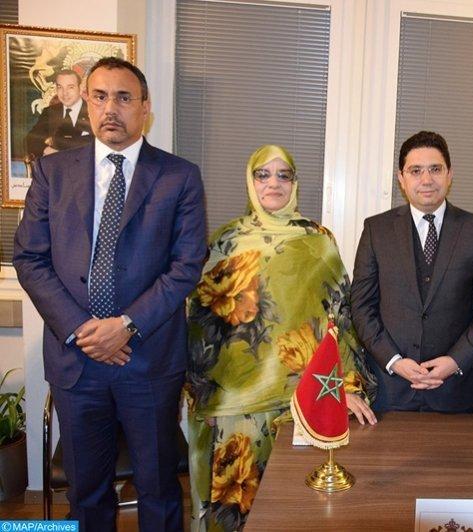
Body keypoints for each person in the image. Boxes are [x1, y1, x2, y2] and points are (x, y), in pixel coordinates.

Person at [13, 57, 206, 531]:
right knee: (87, 493)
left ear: (145, 107)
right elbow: (30, 258)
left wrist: (125, 326)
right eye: (99, 97)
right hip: (77, 360)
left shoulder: (179, 176)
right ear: (87, 102)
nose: (110, 108)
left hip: (149, 360)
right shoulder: (53, 172)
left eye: (124, 97)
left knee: (158, 489)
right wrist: (84, 330)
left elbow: (186, 266)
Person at [185, 144, 377, 531]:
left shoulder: (318, 240)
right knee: (237, 510)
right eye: (263, 174)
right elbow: (200, 319)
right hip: (236, 405)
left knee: (296, 510)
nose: (273, 183)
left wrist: (345, 386)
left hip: (302, 403)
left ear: (294, 183)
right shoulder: (227, 240)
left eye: (283, 175)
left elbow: (340, 319)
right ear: (250, 181)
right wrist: (203, 396)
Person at [350, 131, 473, 413]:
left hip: (456, 390)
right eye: (415, 170)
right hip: (390, 389)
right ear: (401, 178)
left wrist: (455, 361)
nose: (426, 179)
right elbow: (361, 307)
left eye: (435, 169)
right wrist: (394, 361)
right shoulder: (376, 230)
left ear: (449, 174)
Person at [24, 69, 92, 158]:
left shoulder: (92, 111)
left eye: (70, 87)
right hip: (54, 164)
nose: (65, 93)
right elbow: (31, 139)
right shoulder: (50, 112)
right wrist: (47, 150)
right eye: (60, 87)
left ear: (80, 88)